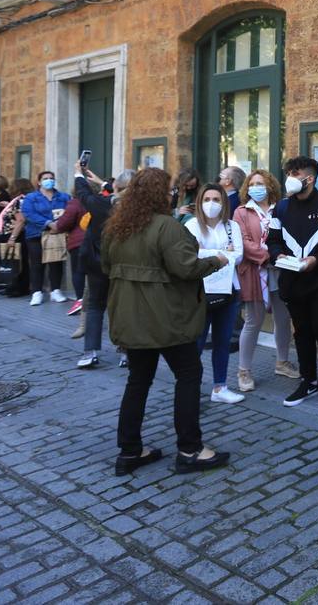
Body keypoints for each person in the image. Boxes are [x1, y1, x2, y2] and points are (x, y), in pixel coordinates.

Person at [103, 167, 231, 476]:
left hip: (131, 317)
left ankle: (130, 450)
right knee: (188, 375)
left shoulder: (116, 228)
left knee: (138, 381)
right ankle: (190, 449)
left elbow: (106, 265)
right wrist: (217, 260)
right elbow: (187, 268)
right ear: (161, 195)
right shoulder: (167, 227)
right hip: (167, 319)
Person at [267, 156, 318, 407]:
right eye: (288, 171)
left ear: (309, 178)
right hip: (292, 281)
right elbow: (273, 240)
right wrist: (276, 254)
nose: (289, 177)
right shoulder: (280, 208)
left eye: (294, 172)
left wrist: (316, 260)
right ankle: (309, 380)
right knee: (301, 332)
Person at [233, 170, 298, 391]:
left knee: (283, 317)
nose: (256, 187)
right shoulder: (241, 212)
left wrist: (282, 257)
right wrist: (269, 255)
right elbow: (244, 242)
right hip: (255, 271)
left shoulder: (281, 208)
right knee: (253, 321)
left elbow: (288, 235)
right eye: (252, 184)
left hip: (281, 270)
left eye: (260, 183)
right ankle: (244, 370)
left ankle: (282, 362)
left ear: (270, 186)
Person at [186, 183, 244, 404]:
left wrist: (207, 253)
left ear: (224, 202)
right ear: (200, 202)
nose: (212, 204)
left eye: (217, 199)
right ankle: (191, 388)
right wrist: (221, 254)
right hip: (200, 292)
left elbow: (238, 255)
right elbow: (190, 255)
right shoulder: (191, 226)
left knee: (222, 340)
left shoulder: (232, 227)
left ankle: (220, 387)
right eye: (207, 199)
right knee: (197, 342)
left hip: (228, 290)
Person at [75, 164, 130, 369]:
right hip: (125, 262)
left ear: (116, 186)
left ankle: (90, 352)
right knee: (123, 307)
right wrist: (102, 182)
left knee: (95, 306)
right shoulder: (138, 206)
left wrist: (78, 174)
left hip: (97, 262)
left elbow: (83, 194)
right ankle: (126, 352)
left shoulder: (102, 203)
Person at [22, 170, 72, 306]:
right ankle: (37, 292)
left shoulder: (64, 197)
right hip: (36, 234)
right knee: (37, 264)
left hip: (57, 234)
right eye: (45, 178)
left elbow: (70, 212)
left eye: (51, 178)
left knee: (56, 262)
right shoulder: (31, 197)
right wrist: (48, 223)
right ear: (39, 182)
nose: (49, 180)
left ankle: (56, 291)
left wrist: (61, 225)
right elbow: (28, 213)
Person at [54, 190, 90, 321]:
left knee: (78, 272)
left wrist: (57, 224)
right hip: (98, 242)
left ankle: (80, 300)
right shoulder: (100, 201)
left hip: (79, 243)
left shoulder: (75, 203)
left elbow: (63, 223)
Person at [0, 178, 34, 297]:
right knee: (18, 262)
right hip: (18, 235)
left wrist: (12, 238)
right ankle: (14, 286)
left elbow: (20, 220)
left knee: (18, 263)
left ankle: (20, 287)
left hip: (17, 235)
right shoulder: (22, 200)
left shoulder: (19, 201)